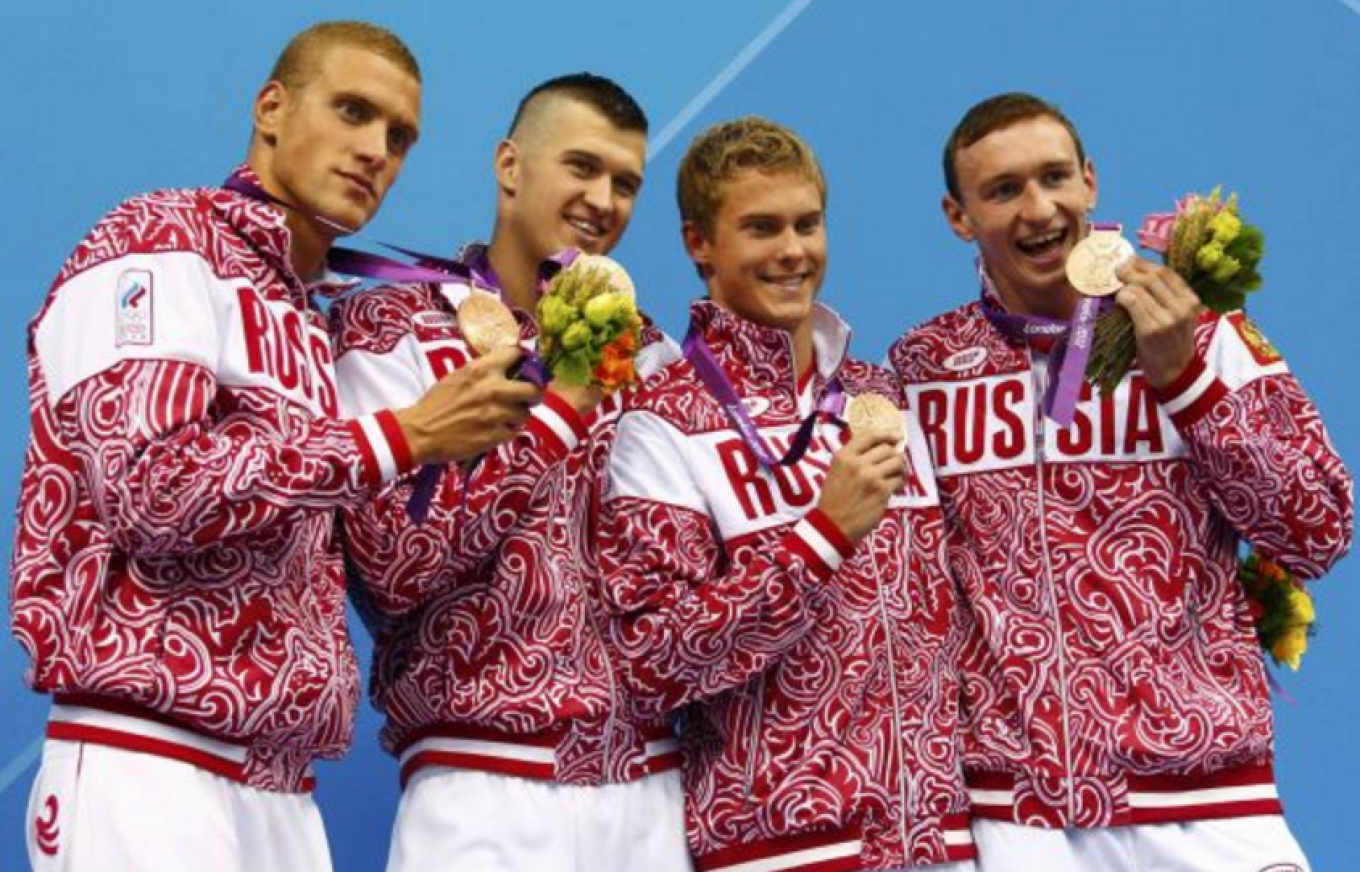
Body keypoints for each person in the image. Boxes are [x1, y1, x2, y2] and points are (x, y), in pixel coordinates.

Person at [11, 21, 540, 872]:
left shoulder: (309, 313)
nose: (375, 150)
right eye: (353, 111)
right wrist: (406, 435)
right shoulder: (159, 240)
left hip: (282, 792)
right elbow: (152, 492)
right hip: (147, 766)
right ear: (271, 107)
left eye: (398, 136)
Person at [887, 92, 1354, 871]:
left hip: (1208, 802)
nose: (1039, 208)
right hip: (1020, 820)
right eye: (1003, 190)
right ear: (957, 215)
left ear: (1091, 181)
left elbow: (1318, 529)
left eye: (1054, 177)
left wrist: (1185, 382)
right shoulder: (925, 368)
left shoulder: (1207, 332)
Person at [329, 73, 689, 872]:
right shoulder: (392, 323)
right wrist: (562, 405)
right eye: (582, 167)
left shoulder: (654, 355)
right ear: (509, 165)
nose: (603, 200)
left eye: (626, 183)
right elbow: (390, 565)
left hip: (654, 792)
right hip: (481, 786)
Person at [597, 116, 977, 872]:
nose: (793, 250)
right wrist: (820, 538)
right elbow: (649, 659)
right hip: (778, 849)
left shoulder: (885, 396)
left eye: (808, 224)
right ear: (698, 243)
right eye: (762, 228)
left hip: (939, 843)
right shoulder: (665, 425)